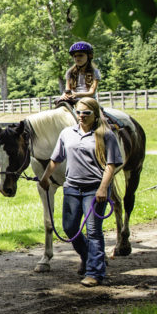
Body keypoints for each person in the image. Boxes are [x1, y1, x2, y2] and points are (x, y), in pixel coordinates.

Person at [38, 96, 123, 287]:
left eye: (86, 113)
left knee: (93, 231)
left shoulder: (105, 135)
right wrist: (45, 178)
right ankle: (88, 257)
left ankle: (95, 272)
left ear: (95, 114)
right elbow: (56, 158)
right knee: (69, 228)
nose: (82, 116)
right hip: (71, 188)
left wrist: (103, 188)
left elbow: (111, 165)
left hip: (94, 189)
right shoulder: (67, 133)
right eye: (78, 112)